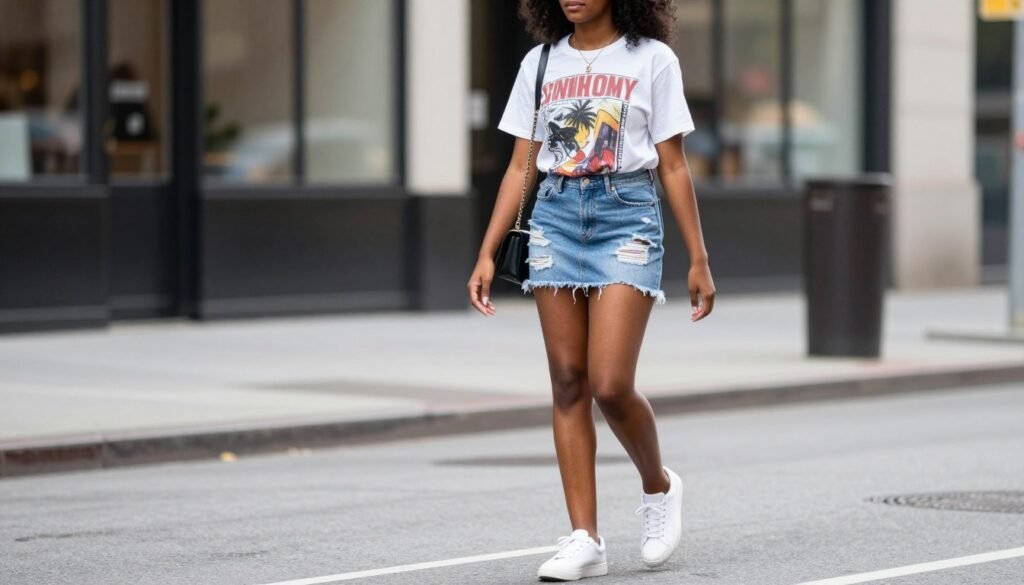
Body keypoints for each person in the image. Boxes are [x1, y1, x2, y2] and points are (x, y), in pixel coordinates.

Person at [468, 0, 716, 580]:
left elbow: (674, 166)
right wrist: (487, 249)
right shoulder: (540, 61)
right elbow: (519, 167)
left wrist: (698, 257)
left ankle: (658, 486)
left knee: (609, 382)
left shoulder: (652, 59)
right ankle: (586, 537)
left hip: (627, 214)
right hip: (555, 214)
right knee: (568, 380)